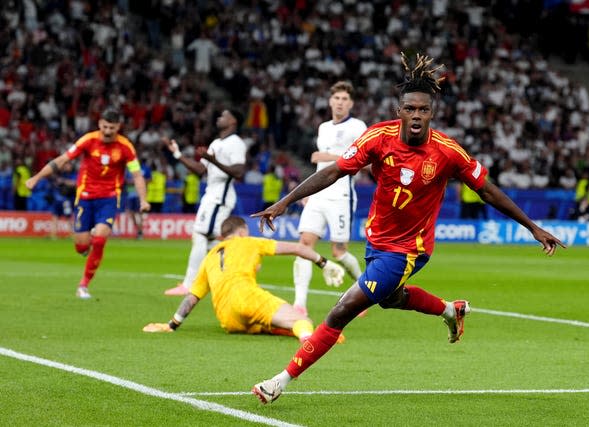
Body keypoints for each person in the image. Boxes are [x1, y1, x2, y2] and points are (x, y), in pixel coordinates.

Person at [250, 53, 565, 404]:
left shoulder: (448, 152)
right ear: (399, 110)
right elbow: (333, 171)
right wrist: (286, 201)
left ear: (433, 113)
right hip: (378, 241)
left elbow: (487, 190)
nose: (416, 116)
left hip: (409, 250)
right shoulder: (378, 138)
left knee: (341, 311)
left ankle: (279, 381)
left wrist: (532, 227)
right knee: (391, 299)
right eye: (410, 109)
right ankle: (450, 310)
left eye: (423, 110)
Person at [142, 216, 345, 342]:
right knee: (302, 321)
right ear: (241, 232)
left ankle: (288, 329)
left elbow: (192, 297)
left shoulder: (210, 256)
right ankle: (309, 341)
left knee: (270, 323)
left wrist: (172, 324)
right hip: (247, 297)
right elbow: (299, 248)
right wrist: (323, 263)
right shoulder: (248, 241)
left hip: (228, 319)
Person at [26, 108, 150, 299]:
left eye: (112, 127)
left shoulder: (125, 147)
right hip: (84, 197)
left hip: (109, 198)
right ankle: (85, 245)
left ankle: (83, 285)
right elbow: (62, 160)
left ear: (118, 126)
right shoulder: (88, 140)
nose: (108, 131)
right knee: (81, 246)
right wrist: (36, 178)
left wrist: (143, 199)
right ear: (100, 124)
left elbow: (137, 175)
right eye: (105, 126)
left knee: (100, 240)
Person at [293, 81, 367, 316]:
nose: (340, 103)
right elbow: (320, 168)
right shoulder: (323, 127)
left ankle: (365, 292)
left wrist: (327, 156)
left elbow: (363, 159)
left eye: (345, 99)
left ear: (351, 103)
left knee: (339, 252)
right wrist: (309, 192)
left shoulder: (358, 126)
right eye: (337, 99)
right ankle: (299, 305)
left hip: (341, 195)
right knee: (304, 245)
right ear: (330, 101)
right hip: (319, 195)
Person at [162, 109, 247, 296]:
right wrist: (177, 154)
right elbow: (200, 169)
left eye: (224, 115)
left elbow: (239, 172)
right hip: (211, 193)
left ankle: (190, 285)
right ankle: (224, 278)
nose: (219, 117)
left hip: (220, 195)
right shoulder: (216, 143)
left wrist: (213, 161)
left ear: (233, 122)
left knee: (201, 234)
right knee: (210, 238)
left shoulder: (236, 143)